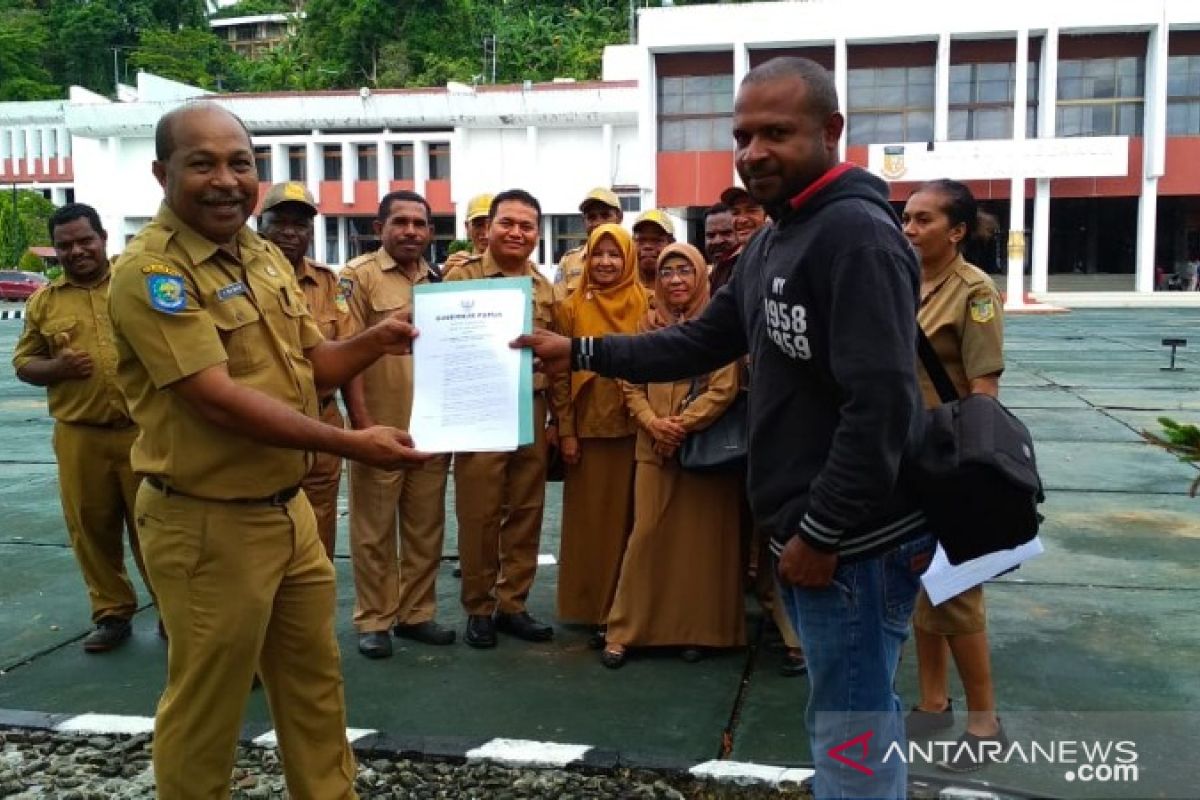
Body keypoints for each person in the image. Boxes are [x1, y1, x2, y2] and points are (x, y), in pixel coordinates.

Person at [516, 57, 934, 800]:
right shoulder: (778, 237)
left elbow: (882, 407)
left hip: (853, 544)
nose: (753, 151)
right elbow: (700, 338)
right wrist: (580, 349)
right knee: (850, 718)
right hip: (810, 529)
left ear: (832, 131)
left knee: (853, 729)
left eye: (776, 132)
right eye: (743, 134)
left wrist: (822, 533)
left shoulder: (856, 237)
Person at [108, 101, 429, 800]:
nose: (226, 180)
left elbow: (312, 364)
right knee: (208, 706)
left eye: (240, 163)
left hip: (289, 517)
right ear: (163, 173)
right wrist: (351, 443)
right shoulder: (151, 274)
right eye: (203, 164)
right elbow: (214, 398)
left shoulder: (259, 256)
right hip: (207, 524)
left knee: (314, 686)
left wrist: (376, 340)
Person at [13, 203, 153, 653]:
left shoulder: (136, 285)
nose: (76, 251)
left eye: (84, 240)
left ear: (103, 238)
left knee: (157, 525)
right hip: (80, 435)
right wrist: (57, 366)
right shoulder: (43, 302)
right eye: (65, 245)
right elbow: (23, 364)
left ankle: (173, 611)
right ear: (55, 251)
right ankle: (111, 612)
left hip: (143, 430)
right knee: (91, 527)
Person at [901, 179, 1007, 772]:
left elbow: (983, 388)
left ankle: (985, 720)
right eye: (907, 218)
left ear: (957, 231)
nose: (909, 228)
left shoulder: (975, 293)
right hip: (905, 456)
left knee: (957, 588)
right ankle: (933, 701)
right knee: (919, 577)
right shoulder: (904, 281)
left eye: (922, 220)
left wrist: (971, 470)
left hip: (952, 458)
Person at [600, 242, 745, 668]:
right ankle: (626, 630)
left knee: (701, 546)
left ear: (700, 275)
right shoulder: (647, 324)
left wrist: (680, 426)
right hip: (653, 448)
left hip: (704, 451)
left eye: (684, 271)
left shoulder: (719, 325)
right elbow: (629, 381)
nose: (675, 280)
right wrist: (653, 423)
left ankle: (698, 631)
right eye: (667, 272)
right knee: (646, 538)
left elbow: (724, 387)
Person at [340, 190, 456, 659]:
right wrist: (362, 425)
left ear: (431, 231)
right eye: (401, 222)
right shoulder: (357, 277)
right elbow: (346, 355)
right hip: (380, 425)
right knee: (373, 530)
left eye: (420, 223)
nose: (411, 231)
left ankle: (416, 614)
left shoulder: (440, 280)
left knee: (426, 528)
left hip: (432, 426)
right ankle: (375, 619)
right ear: (378, 228)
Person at [444, 189, 558, 648]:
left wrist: (558, 420)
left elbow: (556, 359)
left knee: (527, 510)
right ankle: (479, 607)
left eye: (527, 226)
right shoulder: (460, 279)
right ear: (486, 228)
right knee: (479, 511)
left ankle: (514, 603)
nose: (517, 232)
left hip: (530, 405)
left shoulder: (545, 285)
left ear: (536, 234)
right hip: (478, 407)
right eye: (507, 223)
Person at [551, 223, 647, 645]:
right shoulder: (570, 307)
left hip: (638, 429)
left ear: (628, 259)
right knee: (590, 525)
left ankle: (627, 610)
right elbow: (559, 375)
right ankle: (592, 609)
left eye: (615, 254)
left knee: (633, 523)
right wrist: (567, 431)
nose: (606, 263)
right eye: (597, 254)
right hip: (588, 433)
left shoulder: (647, 302)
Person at [258, 181, 351, 560]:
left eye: (300, 225)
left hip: (322, 415)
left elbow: (343, 348)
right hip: (265, 421)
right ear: (259, 224)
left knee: (319, 517)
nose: (289, 233)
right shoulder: (239, 279)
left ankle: (314, 606)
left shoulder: (327, 282)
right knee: (263, 519)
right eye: (280, 222)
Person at [554, 187, 623, 299]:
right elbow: (559, 308)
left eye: (605, 216)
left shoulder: (633, 258)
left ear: (619, 218)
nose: (598, 223)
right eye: (591, 217)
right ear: (584, 221)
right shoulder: (569, 261)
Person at [442, 192, 493, 276]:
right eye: (479, 225)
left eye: (491, 225)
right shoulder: (458, 268)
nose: (486, 234)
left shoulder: (516, 266)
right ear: (467, 227)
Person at [631, 209, 675, 289]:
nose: (648, 246)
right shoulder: (620, 284)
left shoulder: (680, 286)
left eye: (657, 240)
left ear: (671, 244)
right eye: (641, 240)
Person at [703, 203, 739, 291]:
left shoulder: (745, 272)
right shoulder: (708, 276)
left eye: (726, 233)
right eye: (711, 235)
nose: (717, 241)